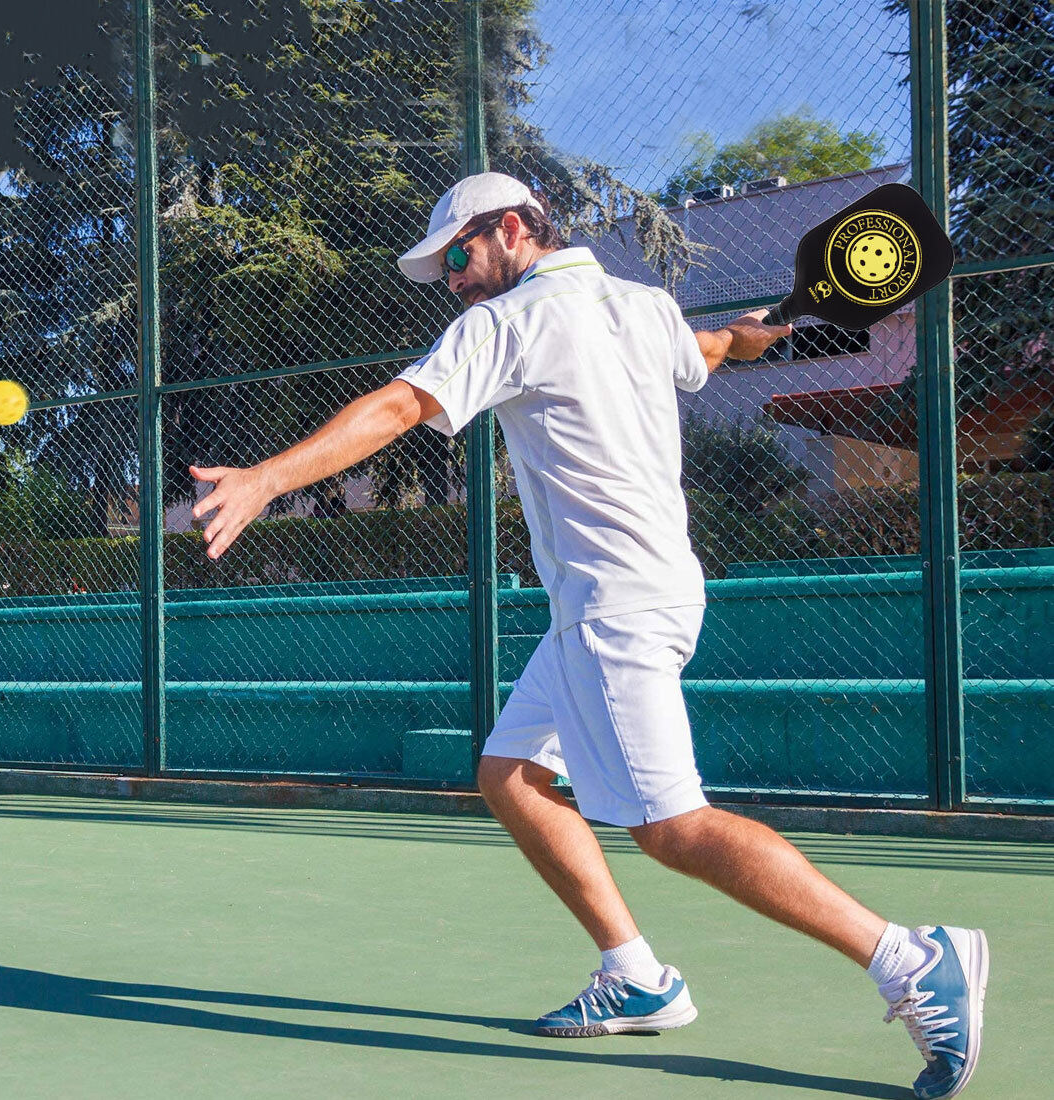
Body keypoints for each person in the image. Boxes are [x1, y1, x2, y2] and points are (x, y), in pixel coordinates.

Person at [190, 171, 988, 1100]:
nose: (451, 278)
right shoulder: (642, 307)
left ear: (514, 228)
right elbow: (713, 345)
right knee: (513, 774)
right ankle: (636, 974)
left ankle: (906, 957)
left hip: (614, 607)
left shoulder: (505, 324)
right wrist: (748, 334)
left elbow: (400, 407)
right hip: (637, 597)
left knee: (674, 829)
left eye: (458, 254)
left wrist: (265, 480)